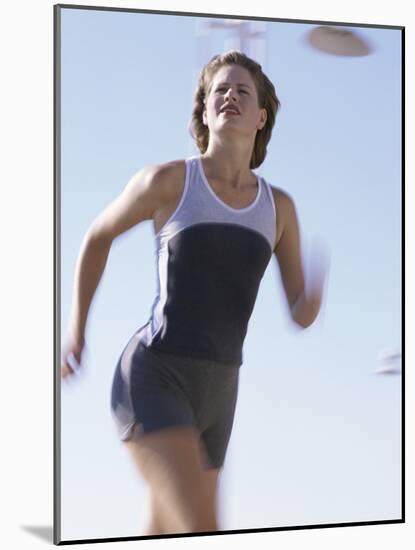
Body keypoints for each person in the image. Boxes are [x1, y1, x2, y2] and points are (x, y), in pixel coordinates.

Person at [61, 50, 330, 536]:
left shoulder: (279, 208)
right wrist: (75, 330)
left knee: (168, 532)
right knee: (201, 530)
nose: (229, 96)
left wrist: (313, 299)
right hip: (155, 375)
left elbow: (300, 313)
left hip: (221, 395)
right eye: (218, 91)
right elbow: (96, 237)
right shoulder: (169, 182)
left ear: (261, 116)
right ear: (204, 112)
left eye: (241, 90)